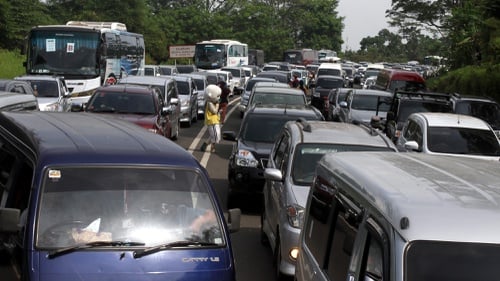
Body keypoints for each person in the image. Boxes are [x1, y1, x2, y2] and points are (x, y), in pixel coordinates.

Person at [200, 85, 221, 153]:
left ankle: (205, 144)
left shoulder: (212, 102)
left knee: (215, 135)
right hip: (211, 121)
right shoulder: (209, 103)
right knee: (215, 135)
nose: (218, 98)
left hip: (215, 120)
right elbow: (214, 111)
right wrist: (218, 106)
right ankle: (212, 148)